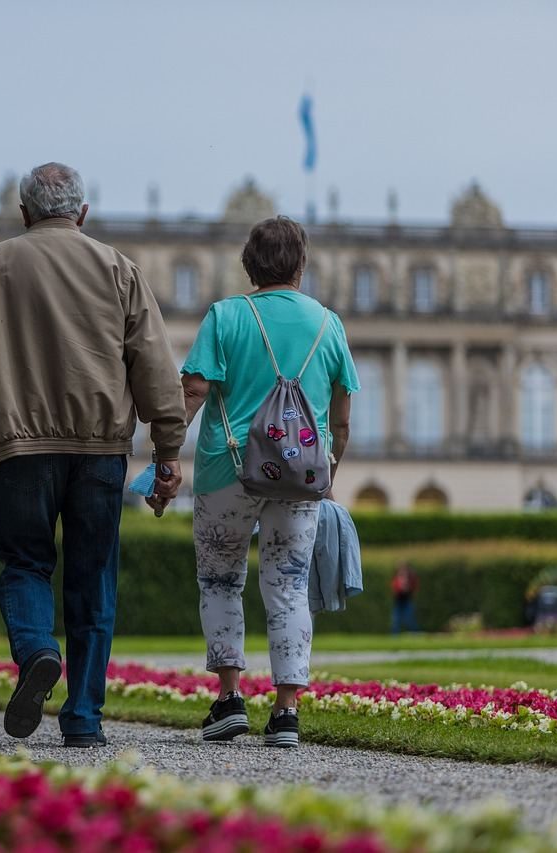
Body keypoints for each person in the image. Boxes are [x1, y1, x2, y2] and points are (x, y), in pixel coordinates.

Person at [0, 162, 187, 748]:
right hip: (100, 449)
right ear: (82, 213)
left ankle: (35, 652)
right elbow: (154, 366)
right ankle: (83, 717)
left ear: (24, 212)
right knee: (92, 576)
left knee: (25, 563)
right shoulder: (117, 268)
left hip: (18, 448)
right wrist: (168, 449)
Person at [148, 216, 358, 748]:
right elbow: (342, 416)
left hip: (227, 469)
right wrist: (327, 473)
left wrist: (166, 456)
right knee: (288, 588)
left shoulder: (225, 316)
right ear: (302, 265)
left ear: (249, 265)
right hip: (301, 475)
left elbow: (192, 393)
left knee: (220, 582)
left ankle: (229, 700)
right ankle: (286, 714)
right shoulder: (328, 323)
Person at [391, 563, 419, 633]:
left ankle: (415, 633)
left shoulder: (410, 579)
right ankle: (394, 635)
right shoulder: (397, 579)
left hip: (407, 601)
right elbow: (394, 589)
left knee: (409, 619)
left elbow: (414, 588)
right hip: (398, 602)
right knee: (396, 620)